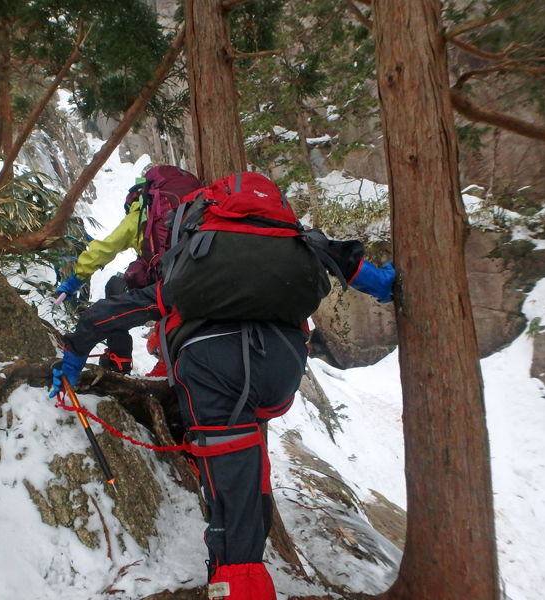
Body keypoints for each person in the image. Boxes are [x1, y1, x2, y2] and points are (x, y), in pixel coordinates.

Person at [50, 173, 395, 600]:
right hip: (281, 369)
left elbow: (114, 310)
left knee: (232, 507)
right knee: (247, 463)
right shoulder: (294, 240)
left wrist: (72, 358)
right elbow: (347, 261)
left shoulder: (192, 271)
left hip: (214, 372)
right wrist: (384, 285)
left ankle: (236, 583)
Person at [55, 166, 201, 374]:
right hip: (201, 278)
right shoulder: (196, 207)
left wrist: (75, 280)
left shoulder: (141, 216)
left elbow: (104, 249)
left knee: (115, 287)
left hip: (166, 288)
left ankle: (119, 359)